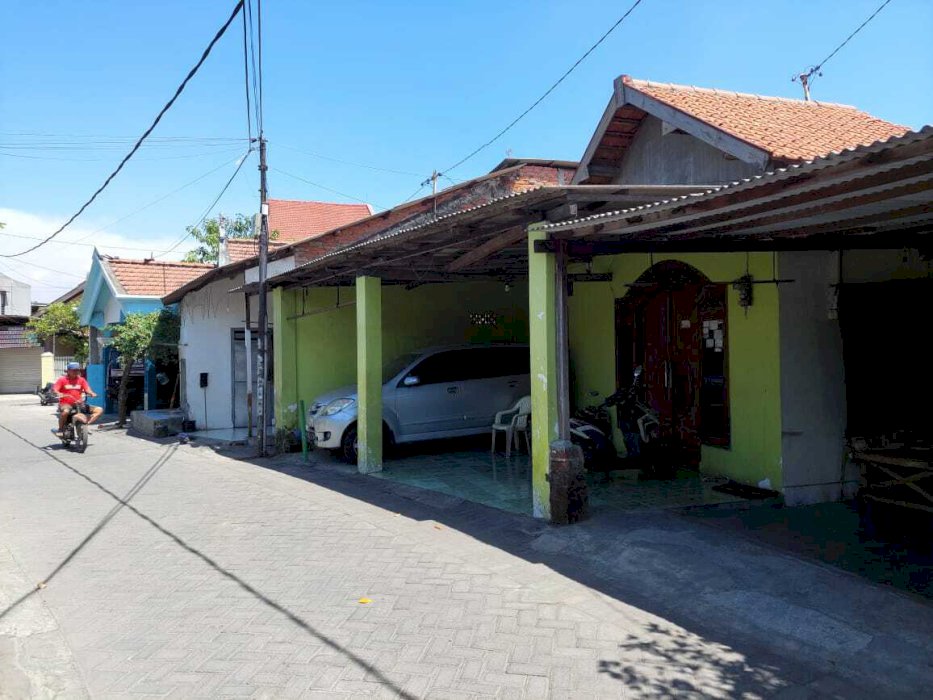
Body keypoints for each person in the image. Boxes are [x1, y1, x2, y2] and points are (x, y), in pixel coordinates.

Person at [52, 362, 103, 437]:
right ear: (68, 371)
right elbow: (55, 389)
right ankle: (60, 429)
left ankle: (85, 425)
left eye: (77, 370)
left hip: (79, 403)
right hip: (65, 404)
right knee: (65, 412)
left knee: (99, 410)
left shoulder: (81, 380)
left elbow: (87, 389)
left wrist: (91, 393)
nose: (76, 372)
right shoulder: (62, 380)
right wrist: (58, 393)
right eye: (74, 370)